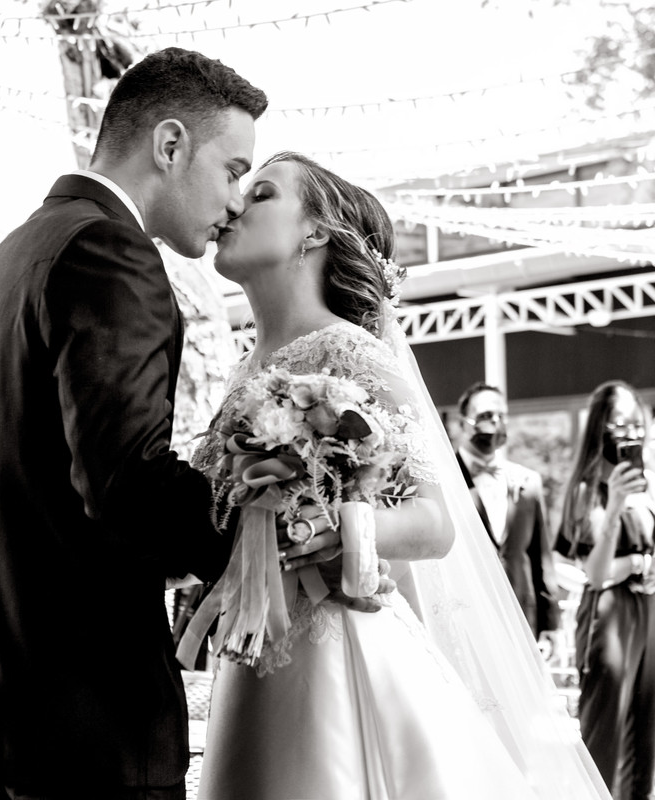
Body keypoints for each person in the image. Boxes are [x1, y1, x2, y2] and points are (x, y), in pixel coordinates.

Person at [189, 151, 608, 799]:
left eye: (263, 192)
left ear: (315, 232)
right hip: (252, 650)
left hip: (339, 648)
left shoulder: (352, 354)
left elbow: (435, 523)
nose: (236, 204)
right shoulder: (241, 374)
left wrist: (325, 525)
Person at [0, 47, 269, 800]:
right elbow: (124, 478)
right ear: (170, 145)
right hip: (83, 710)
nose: (236, 201)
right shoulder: (112, 251)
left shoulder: (10, 257)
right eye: (233, 170)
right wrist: (262, 538)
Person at [556, 380, 655, 798]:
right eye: (619, 424)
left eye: (635, 423)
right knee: (606, 729)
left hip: (647, 611)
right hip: (607, 613)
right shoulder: (587, 491)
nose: (629, 432)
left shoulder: (646, 488)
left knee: (644, 732)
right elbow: (596, 574)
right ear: (601, 429)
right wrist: (615, 508)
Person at [455, 382, 561, 641]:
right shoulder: (446, 480)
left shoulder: (528, 481)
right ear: (463, 423)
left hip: (522, 615)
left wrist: (552, 622)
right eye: (484, 415)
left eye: (501, 416)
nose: (494, 422)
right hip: (467, 615)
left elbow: (540, 556)